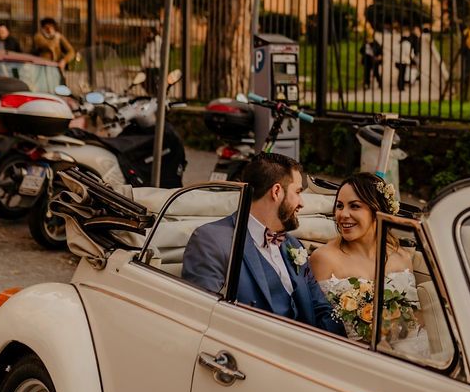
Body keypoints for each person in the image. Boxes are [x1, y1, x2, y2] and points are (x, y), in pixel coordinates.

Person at [182, 153, 344, 335]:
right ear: (276, 192)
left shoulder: (294, 245)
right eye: (298, 192)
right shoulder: (212, 240)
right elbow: (203, 317)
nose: (302, 203)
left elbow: (320, 308)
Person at [310, 173, 430, 357]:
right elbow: (317, 323)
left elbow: (417, 318)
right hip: (355, 357)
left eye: (355, 206)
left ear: (377, 211)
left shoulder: (402, 257)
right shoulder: (324, 259)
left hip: (414, 350)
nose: (343, 214)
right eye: (339, 206)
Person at [141, 26, 163, 96]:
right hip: (147, 66)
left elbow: (159, 53)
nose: (148, 34)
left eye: (149, 32)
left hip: (155, 65)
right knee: (145, 82)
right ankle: (151, 94)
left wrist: (152, 58)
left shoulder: (158, 40)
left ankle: (156, 95)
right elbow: (145, 53)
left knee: (154, 82)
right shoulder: (148, 41)